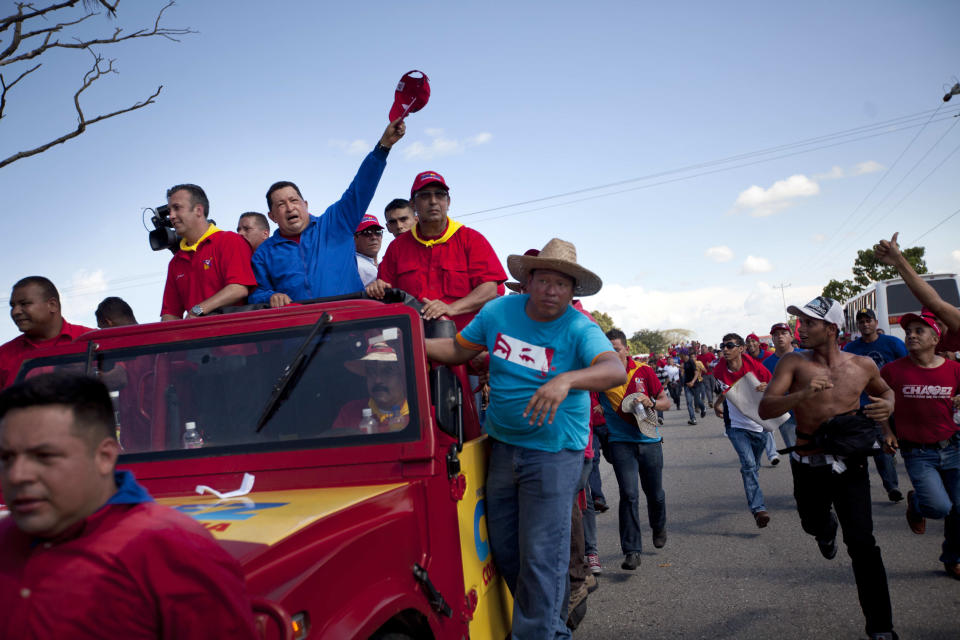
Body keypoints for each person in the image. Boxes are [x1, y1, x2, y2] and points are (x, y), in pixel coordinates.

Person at [424, 238, 625, 639]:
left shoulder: (579, 327)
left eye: (563, 284)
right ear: (528, 281)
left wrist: (567, 379)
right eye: (545, 280)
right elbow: (456, 350)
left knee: (541, 557)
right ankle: (549, 625)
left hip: (554, 454)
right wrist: (399, 344)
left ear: (573, 291)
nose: (553, 291)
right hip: (502, 447)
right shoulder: (498, 311)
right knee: (507, 550)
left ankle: (543, 632)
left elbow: (614, 370)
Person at [0, 372, 258, 639]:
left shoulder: (174, 554)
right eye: (6, 458)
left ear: (105, 457)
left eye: (44, 456)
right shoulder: (5, 538)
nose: (17, 475)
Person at [759, 296, 897, 640]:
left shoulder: (862, 365)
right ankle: (824, 528)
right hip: (808, 464)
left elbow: (886, 392)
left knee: (863, 544)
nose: (799, 329)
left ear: (831, 329)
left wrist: (887, 406)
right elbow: (766, 408)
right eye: (799, 322)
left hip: (850, 465)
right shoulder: (793, 363)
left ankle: (881, 628)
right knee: (812, 523)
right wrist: (803, 394)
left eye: (808, 323)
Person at [250, 119, 406, 308]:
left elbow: (361, 187)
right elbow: (255, 293)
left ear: (305, 204)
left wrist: (383, 147)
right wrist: (270, 296)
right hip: (302, 333)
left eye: (294, 200)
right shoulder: (264, 254)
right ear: (272, 216)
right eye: (281, 204)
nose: (290, 208)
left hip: (352, 325)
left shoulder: (336, 223)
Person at [366, 171, 507, 331]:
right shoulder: (396, 248)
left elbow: (489, 289)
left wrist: (452, 308)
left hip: (466, 346)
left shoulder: (471, 239)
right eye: (425, 196)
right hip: (414, 344)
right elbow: (386, 291)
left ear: (448, 201)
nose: (433, 201)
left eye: (440, 195)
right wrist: (377, 288)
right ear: (413, 204)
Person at [880, 310, 960, 580]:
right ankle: (916, 504)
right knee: (939, 508)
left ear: (936, 338)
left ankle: (952, 558)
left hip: (954, 447)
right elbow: (876, 401)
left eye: (919, 331)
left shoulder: (954, 369)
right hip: (917, 452)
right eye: (908, 331)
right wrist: (886, 431)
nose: (911, 335)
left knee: (959, 511)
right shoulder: (892, 370)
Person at [599, 329, 671, 571]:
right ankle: (631, 550)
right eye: (607, 350)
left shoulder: (643, 371)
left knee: (655, 494)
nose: (612, 354)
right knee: (629, 495)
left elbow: (665, 401)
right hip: (620, 443)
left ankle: (658, 525)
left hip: (650, 441)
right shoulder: (599, 375)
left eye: (616, 349)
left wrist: (652, 402)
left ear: (626, 349)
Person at [160, 184, 256, 320]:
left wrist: (197, 310)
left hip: (235, 337)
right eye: (170, 210)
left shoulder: (229, 240)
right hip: (196, 340)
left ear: (198, 210)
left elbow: (238, 289)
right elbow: (170, 314)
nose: (171, 216)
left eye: (177, 208)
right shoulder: (175, 263)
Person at [844, 308, 907, 502]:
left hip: (896, 402)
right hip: (869, 405)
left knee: (906, 445)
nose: (865, 324)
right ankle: (893, 487)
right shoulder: (850, 349)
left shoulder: (893, 343)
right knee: (881, 447)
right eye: (861, 321)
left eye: (868, 320)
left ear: (876, 322)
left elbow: (907, 365)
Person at [712, 333, 774, 528]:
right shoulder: (719, 370)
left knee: (753, 466)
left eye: (730, 346)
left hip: (759, 425)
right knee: (748, 465)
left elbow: (773, 386)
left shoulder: (757, 368)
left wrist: (767, 387)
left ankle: (752, 484)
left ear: (741, 349)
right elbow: (729, 390)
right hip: (736, 426)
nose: (725, 349)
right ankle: (758, 509)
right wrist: (718, 403)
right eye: (723, 346)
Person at [875, 232, 960, 359]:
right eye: (925, 324)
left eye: (937, 318)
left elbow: (935, 303)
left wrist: (899, 262)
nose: (913, 336)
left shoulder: (956, 333)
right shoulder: (918, 352)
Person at [0, 277, 93, 389]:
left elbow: (117, 377)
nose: (15, 312)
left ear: (52, 305)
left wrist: (92, 373)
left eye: (24, 304)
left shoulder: (92, 339)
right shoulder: (3, 355)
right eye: (12, 306)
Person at [332, 342, 408, 432]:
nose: (378, 380)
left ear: (402, 377)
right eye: (371, 372)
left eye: (387, 371)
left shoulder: (421, 412)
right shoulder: (350, 412)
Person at [762, 322, 798, 451]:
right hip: (785, 415)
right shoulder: (766, 364)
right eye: (776, 335)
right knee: (794, 453)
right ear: (772, 339)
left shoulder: (806, 355)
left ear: (791, 336)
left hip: (809, 411)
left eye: (783, 333)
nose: (780, 337)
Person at [354, 214, 384, 287]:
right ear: (355, 238)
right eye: (367, 233)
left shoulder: (384, 264)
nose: (374, 237)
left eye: (378, 232)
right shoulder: (353, 264)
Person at [682, 352, 706, 425]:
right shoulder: (685, 363)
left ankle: (703, 408)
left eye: (686, 355)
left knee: (697, 401)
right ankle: (693, 419)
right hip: (687, 385)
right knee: (689, 402)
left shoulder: (692, 362)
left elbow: (696, 373)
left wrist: (692, 382)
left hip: (695, 384)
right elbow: (685, 372)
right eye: (683, 355)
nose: (684, 357)